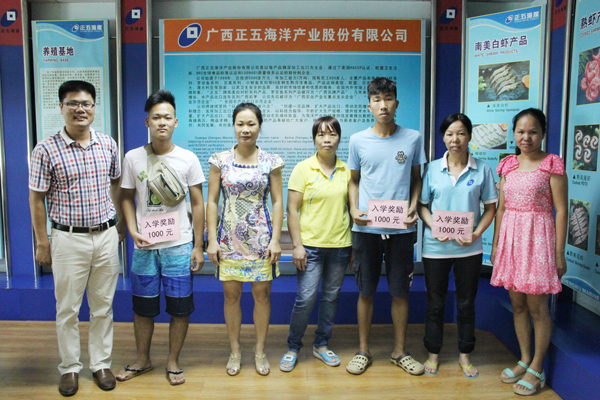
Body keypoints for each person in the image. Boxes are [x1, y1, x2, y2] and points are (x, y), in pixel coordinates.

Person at [29, 80, 125, 396]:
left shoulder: (108, 144)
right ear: (61, 107)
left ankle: (100, 364)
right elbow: (36, 198)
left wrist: (118, 225)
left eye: (86, 104)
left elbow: (116, 184)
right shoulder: (45, 150)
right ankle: (69, 368)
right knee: (68, 308)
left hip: (105, 236)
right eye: (73, 103)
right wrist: (42, 242)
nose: (80, 109)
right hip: (67, 239)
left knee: (103, 306)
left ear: (94, 108)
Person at [115, 90, 205, 385]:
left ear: (176, 122)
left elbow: (198, 204)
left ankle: (173, 361)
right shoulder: (133, 157)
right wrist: (132, 230)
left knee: (180, 307)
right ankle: (143, 359)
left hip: (179, 245)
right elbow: (126, 197)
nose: (162, 122)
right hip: (145, 246)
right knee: (143, 307)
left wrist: (198, 245)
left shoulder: (188, 158)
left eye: (167, 117)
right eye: (156, 117)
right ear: (147, 122)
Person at [345, 77, 427, 375]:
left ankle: (399, 352)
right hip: (366, 228)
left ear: (396, 103)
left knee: (400, 292)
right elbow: (354, 181)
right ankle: (363, 351)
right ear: (369, 105)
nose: (383, 105)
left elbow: (417, 179)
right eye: (377, 100)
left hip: (401, 229)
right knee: (365, 290)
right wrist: (353, 209)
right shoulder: (357, 140)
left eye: (388, 98)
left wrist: (414, 205)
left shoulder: (413, 138)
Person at [491, 108, 567, 396]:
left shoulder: (551, 164)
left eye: (533, 131)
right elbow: (501, 209)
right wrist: (496, 245)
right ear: (514, 134)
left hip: (538, 241)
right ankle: (524, 358)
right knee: (518, 303)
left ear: (543, 133)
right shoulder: (508, 165)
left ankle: (537, 367)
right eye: (521, 131)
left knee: (538, 307)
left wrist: (559, 254)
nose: (526, 137)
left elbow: (561, 211)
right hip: (512, 239)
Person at [417, 113, 498, 378]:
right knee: (435, 303)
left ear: (470, 136)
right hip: (435, 248)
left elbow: (490, 208)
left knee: (466, 303)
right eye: (450, 134)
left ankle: (465, 354)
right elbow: (422, 206)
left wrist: (476, 234)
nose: (455, 139)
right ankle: (433, 352)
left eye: (461, 133)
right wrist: (434, 226)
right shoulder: (432, 169)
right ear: (443, 138)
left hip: (469, 249)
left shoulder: (483, 169)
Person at [206, 103, 284, 376]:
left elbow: (277, 202)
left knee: (262, 296)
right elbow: (212, 201)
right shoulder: (220, 160)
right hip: (228, 241)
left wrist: (276, 240)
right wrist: (211, 240)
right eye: (240, 123)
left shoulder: (272, 161)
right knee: (231, 296)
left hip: (261, 241)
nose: (245, 129)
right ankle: (235, 351)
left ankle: (260, 351)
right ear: (234, 126)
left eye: (251, 124)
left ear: (259, 126)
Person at [279, 116, 352, 372]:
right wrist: (297, 246)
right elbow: (292, 209)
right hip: (309, 246)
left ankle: (321, 345)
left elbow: (353, 209)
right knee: (306, 298)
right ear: (314, 139)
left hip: (340, 245)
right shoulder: (303, 169)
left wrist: (354, 246)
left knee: (331, 297)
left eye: (332, 134)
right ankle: (293, 347)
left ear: (339, 138)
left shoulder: (347, 170)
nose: (327, 139)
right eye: (321, 134)